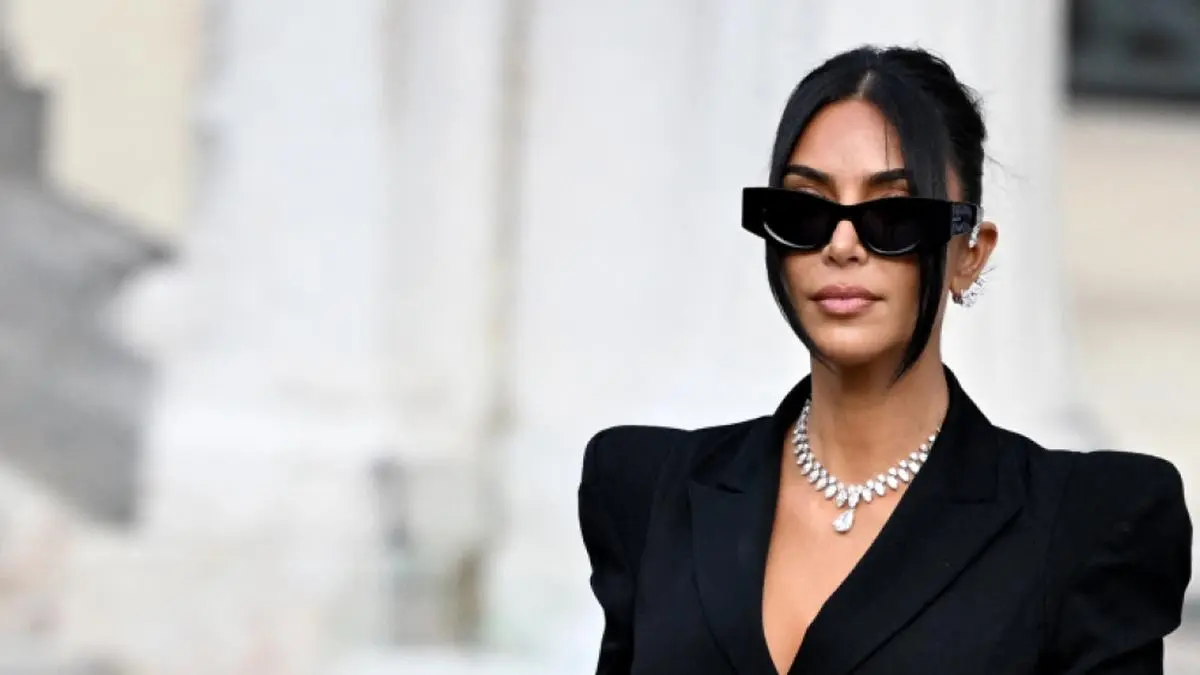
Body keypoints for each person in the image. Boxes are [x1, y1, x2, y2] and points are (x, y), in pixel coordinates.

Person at [577, 45, 1192, 675]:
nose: (842, 245)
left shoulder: (1087, 525)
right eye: (806, 211)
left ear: (970, 253)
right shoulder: (651, 490)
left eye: (894, 216)